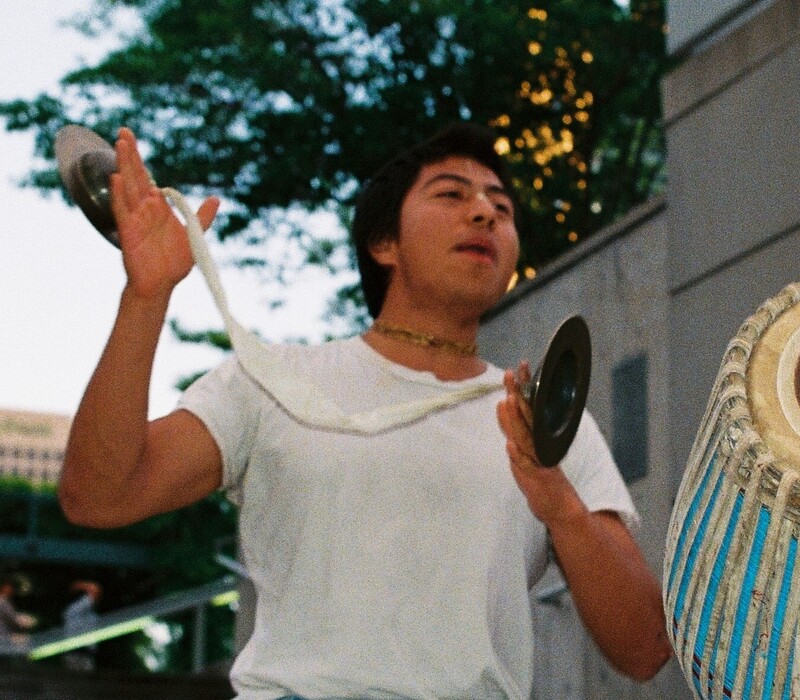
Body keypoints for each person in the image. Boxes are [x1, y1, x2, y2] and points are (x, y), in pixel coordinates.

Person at [59, 122, 671, 698]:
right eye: (451, 194)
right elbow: (99, 495)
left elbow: (645, 647)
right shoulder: (271, 379)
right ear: (384, 242)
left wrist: (555, 497)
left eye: (501, 207)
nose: (484, 212)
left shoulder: (545, 427)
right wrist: (146, 296)